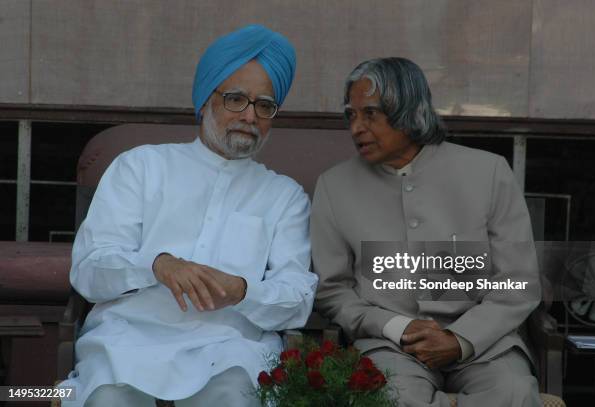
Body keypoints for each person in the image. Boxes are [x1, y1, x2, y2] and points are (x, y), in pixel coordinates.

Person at [60, 25, 318, 407]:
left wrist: (244, 290)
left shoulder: (284, 196)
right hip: (129, 339)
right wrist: (157, 266)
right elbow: (90, 270)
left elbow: (297, 298)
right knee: (110, 398)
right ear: (205, 99)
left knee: (234, 393)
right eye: (235, 99)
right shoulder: (141, 167)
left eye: (264, 105)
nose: (250, 115)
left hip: (230, 348)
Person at [311, 57, 542, 406]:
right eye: (351, 115)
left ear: (409, 110)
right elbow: (332, 290)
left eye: (370, 114)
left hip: (486, 343)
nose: (356, 127)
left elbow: (517, 282)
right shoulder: (334, 187)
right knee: (390, 397)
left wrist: (460, 338)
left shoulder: (488, 173)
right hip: (388, 346)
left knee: (513, 392)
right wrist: (395, 326)